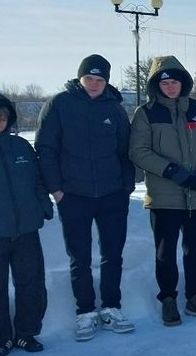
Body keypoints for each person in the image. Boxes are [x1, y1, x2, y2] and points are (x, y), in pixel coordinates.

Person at [35, 54, 135, 341]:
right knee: (79, 257)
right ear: (80, 78)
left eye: (99, 79)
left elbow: (125, 151)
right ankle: (86, 312)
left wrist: (126, 186)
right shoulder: (59, 104)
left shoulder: (114, 109)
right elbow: (46, 149)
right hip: (74, 195)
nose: (94, 83)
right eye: (89, 78)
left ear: (106, 82)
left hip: (112, 195)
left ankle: (111, 307)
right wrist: (57, 189)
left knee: (112, 254)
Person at [129, 57, 196, 326]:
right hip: (164, 196)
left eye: (174, 82)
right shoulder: (147, 113)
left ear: (183, 83)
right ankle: (168, 299)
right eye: (165, 83)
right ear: (156, 85)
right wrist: (170, 170)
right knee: (165, 252)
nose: (170, 87)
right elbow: (138, 151)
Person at [0, 92, 53, 356]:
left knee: (31, 283)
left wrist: (43, 206)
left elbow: (37, 181)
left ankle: (26, 333)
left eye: (3, 119)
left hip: (26, 230)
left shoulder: (21, 147)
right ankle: (0, 338)